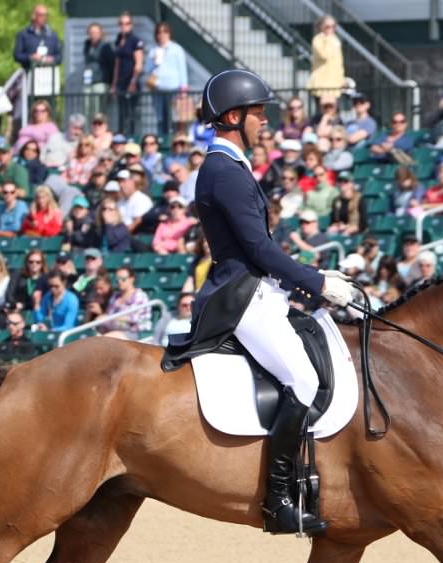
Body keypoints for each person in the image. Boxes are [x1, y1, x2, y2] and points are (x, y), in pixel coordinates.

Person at [162, 69, 353, 535]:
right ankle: (279, 499)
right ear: (233, 116)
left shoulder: (231, 167)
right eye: (258, 113)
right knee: (304, 381)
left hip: (258, 288)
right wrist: (317, 282)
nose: (265, 121)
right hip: (240, 296)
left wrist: (310, 280)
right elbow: (258, 249)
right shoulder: (223, 171)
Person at [145, 22, 188, 138]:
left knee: (174, 116)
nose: (162, 34)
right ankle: (162, 138)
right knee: (160, 117)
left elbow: (182, 69)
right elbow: (147, 70)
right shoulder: (153, 51)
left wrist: (183, 89)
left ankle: (173, 139)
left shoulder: (176, 49)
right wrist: (153, 62)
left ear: (169, 34)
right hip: (158, 89)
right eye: (159, 32)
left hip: (173, 88)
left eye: (165, 31)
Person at [112, 12, 144, 138]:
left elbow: (139, 64)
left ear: (131, 24)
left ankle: (132, 137)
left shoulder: (135, 41)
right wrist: (114, 84)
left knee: (131, 113)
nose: (124, 26)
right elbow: (117, 64)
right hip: (121, 81)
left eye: (127, 23)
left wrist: (133, 82)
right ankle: (122, 137)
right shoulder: (119, 40)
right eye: (121, 23)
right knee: (122, 112)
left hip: (131, 81)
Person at [13, 4, 62, 72]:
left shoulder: (52, 35)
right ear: (34, 16)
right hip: (29, 73)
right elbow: (17, 56)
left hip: (49, 74)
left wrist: (52, 59)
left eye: (46, 15)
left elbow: (59, 56)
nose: (44, 18)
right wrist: (31, 57)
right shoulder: (24, 34)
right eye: (41, 15)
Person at [307, 16, 344, 104]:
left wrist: (341, 79)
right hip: (321, 85)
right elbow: (324, 55)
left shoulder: (335, 40)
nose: (331, 29)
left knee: (334, 114)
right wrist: (327, 39)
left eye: (333, 26)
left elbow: (339, 63)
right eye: (327, 26)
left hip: (334, 85)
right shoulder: (318, 39)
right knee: (322, 113)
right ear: (321, 27)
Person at [83, 22, 115, 118]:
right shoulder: (87, 46)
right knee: (87, 108)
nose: (94, 35)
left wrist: (112, 84)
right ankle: (88, 131)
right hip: (88, 81)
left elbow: (112, 65)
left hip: (101, 82)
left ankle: (100, 129)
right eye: (91, 33)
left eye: (96, 32)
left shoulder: (106, 47)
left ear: (101, 33)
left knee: (98, 110)